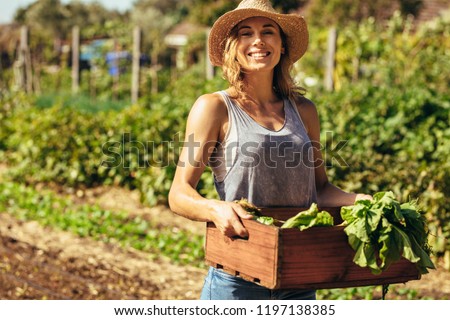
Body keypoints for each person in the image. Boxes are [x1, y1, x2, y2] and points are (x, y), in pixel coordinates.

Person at [168, 0, 372, 300]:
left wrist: (362, 201)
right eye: (246, 33)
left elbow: (320, 189)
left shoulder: (304, 111)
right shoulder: (214, 108)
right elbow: (179, 193)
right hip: (238, 275)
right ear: (232, 46)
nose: (258, 41)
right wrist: (216, 208)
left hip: (299, 274)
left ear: (282, 45)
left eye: (268, 32)